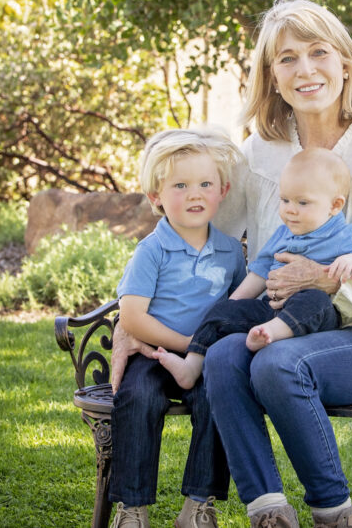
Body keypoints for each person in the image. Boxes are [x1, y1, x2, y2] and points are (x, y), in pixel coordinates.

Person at [206, 0, 352, 528]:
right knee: (222, 358)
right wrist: (136, 310)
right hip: (281, 326)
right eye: (286, 59)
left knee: (280, 364)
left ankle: (334, 515)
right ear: (272, 77)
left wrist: (327, 281)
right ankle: (268, 512)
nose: (305, 69)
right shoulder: (262, 148)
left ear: (345, 63)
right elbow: (206, 235)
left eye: (318, 52)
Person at [106, 127, 247, 528]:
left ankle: (198, 506)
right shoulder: (152, 249)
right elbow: (132, 318)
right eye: (180, 186)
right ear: (157, 198)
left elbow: (236, 310)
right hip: (152, 352)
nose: (195, 194)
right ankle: (132, 507)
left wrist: (203, 350)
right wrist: (187, 343)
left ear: (223, 190)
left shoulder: (229, 252)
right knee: (139, 399)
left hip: (204, 360)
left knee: (220, 398)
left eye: (205, 184)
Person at [154, 147, 352, 390]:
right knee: (223, 311)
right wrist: (231, 306)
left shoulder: (345, 235)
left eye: (302, 202)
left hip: (315, 317)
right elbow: (260, 272)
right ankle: (191, 366)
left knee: (315, 299)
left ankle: (270, 335)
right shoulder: (283, 233)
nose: (290, 209)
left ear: (335, 205)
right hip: (271, 310)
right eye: (284, 200)